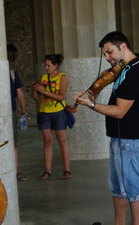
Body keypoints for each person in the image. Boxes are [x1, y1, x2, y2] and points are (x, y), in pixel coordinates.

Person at [74, 31, 139, 225]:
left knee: (134, 192)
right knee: (118, 190)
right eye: (105, 54)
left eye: (109, 52)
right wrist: (93, 94)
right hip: (119, 139)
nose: (107, 58)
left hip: (130, 141)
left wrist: (91, 105)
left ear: (123, 47)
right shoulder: (124, 69)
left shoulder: (134, 72)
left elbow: (120, 111)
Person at [31, 54, 71, 180]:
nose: (46, 68)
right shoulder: (43, 78)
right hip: (44, 112)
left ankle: (67, 170)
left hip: (58, 112)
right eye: (45, 65)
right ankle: (47, 171)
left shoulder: (62, 78)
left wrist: (44, 92)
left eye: (48, 65)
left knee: (62, 141)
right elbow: (36, 98)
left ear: (55, 65)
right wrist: (35, 89)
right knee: (47, 142)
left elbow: (61, 96)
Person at [7, 43, 29, 181]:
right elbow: (20, 94)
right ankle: (14, 173)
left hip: (8, 111)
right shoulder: (13, 74)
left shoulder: (12, 74)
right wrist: (24, 112)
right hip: (12, 111)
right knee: (14, 143)